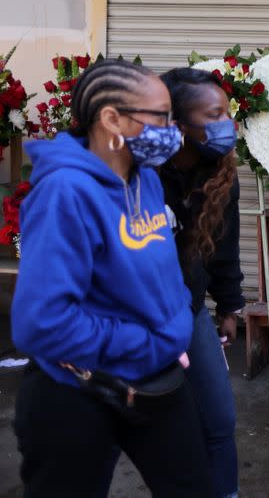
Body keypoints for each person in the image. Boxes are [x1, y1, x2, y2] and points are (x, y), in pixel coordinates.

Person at [12, 59, 214, 497]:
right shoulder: (65, 192)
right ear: (111, 119)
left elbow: (159, 271)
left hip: (158, 384)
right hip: (77, 395)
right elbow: (40, 320)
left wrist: (174, 319)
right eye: (160, 117)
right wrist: (148, 342)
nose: (172, 129)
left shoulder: (147, 181)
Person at [159, 66, 244, 498]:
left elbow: (222, 250)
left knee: (219, 421)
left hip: (187, 311)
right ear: (178, 124)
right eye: (214, 115)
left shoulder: (222, 175)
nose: (226, 125)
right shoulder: (142, 173)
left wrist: (229, 307)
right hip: (136, 317)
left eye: (227, 113)